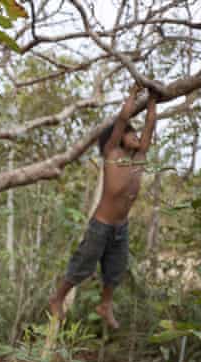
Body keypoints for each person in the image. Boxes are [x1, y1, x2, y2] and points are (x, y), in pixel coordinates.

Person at [49, 86, 157, 329]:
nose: (137, 136)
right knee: (83, 266)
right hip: (102, 224)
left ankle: (105, 305)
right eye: (132, 133)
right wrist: (133, 94)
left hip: (121, 227)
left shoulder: (138, 158)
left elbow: (150, 125)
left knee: (116, 269)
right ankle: (57, 297)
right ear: (120, 137)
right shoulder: (112, 153)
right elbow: (122, 119)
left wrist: (152, 100)